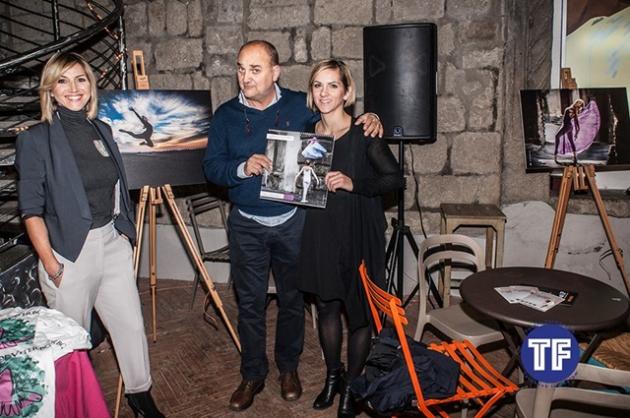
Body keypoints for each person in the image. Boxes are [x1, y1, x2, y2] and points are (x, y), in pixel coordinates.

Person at [202, 40, 382, 412]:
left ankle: (289, 369)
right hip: (246, 225)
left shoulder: (302, 105)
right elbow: (211, 167)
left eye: (255, 69)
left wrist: (369, 117)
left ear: (275, 72)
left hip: (293, 222)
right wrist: (241, 167)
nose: (246, 77)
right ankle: (252, 374)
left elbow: (335, 116)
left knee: (291, 300)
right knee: (250, 304)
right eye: (241, 68)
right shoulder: (225, 115)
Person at [15, 52, 164, 418]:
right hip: (68, 253)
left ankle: (140, 396)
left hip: (111, 243)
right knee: (72, 345)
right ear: (50, 90)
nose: (73, 88)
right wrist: (51, 263)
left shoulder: (102, 130)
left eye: (80, 79)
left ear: (90, 86)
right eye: (63, 81)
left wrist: (123, 235)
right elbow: (31, 210)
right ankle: (77, 408)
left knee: (130, 326)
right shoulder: (36, 140)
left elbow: (115, 187)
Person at [297, 60, 404, 418]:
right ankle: (333, 377)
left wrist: (353, 183)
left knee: (359, 315)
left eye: (332, 85)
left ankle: (353, 389)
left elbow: (395, 179)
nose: (324, 93)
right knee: (327, 307)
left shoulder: (364, 133)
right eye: (317, 85)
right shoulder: (307, 133)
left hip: (358, 232)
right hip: (321, 232)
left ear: (346, 92)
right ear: (311, 92)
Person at [554, 98, 585, 164]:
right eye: (578, 103)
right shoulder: (574, 111)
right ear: (576, 102)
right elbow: (576, 123)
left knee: (557, 136)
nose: (578, 104)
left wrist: (577, 132)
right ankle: (575, 157)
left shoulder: (570, 109)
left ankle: (555, 156)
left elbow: (567, 121)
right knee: (571, 141)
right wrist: (577, 132)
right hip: (570, 127)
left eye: (579, 104)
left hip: (566, 126)